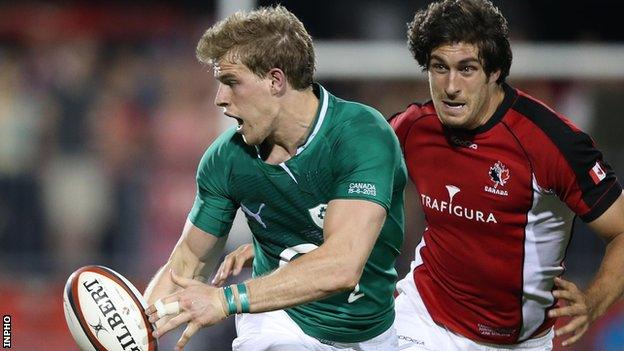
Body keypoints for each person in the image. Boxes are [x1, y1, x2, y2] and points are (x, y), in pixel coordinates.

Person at [143, 5, 407, 351]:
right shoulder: (226, 160)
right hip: (280, 322)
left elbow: (342, 266)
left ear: (275, 80)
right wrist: (138, 325)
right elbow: (189, 261)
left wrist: (225, 299)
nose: (220, 99)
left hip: (371, 333)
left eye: (231, 82)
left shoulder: (360, 136)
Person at [389, 0, 624, 350]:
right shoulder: (413, 127)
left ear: (495, 71)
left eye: (466, 69)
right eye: (440, 67)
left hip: (521, 341)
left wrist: (594, 301)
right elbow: (348, 165)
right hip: (424, 318)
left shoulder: (553, 143)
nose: (450, 86)